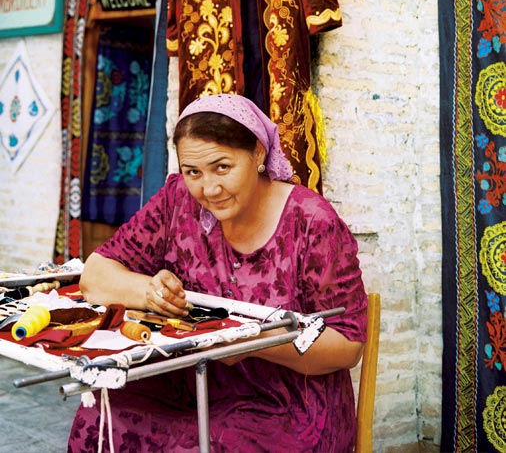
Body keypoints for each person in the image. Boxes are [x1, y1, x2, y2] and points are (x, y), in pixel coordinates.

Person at [68, 94, 368, 453]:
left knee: (204, 444)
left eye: (222, 167)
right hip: (194, 385)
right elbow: (95, 276)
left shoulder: (311, 222)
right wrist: (151, 291)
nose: (208, 189)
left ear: (258, 154)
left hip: (288, 406)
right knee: (102, 416)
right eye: (193, 172)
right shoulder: (177, 201)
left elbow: (348, 345)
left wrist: (253, 343)